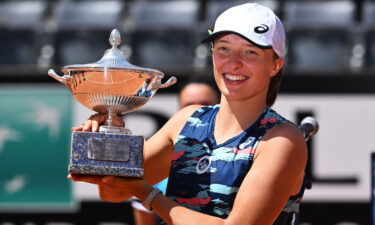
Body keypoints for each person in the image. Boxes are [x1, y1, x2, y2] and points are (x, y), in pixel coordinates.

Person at [69, 3, 307, 225]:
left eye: (250, 52)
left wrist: (147, 194)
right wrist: (111, 136)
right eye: (224, 49)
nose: (233, 63)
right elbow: (113, 191)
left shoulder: (282, 140)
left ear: (275, 65)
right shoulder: (187, 120)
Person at [131, 79, 220, 225]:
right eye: (190, 106)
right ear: (180, 110)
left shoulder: (244, 154)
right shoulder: (160, 156)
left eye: (205, 105)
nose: (199, 111)